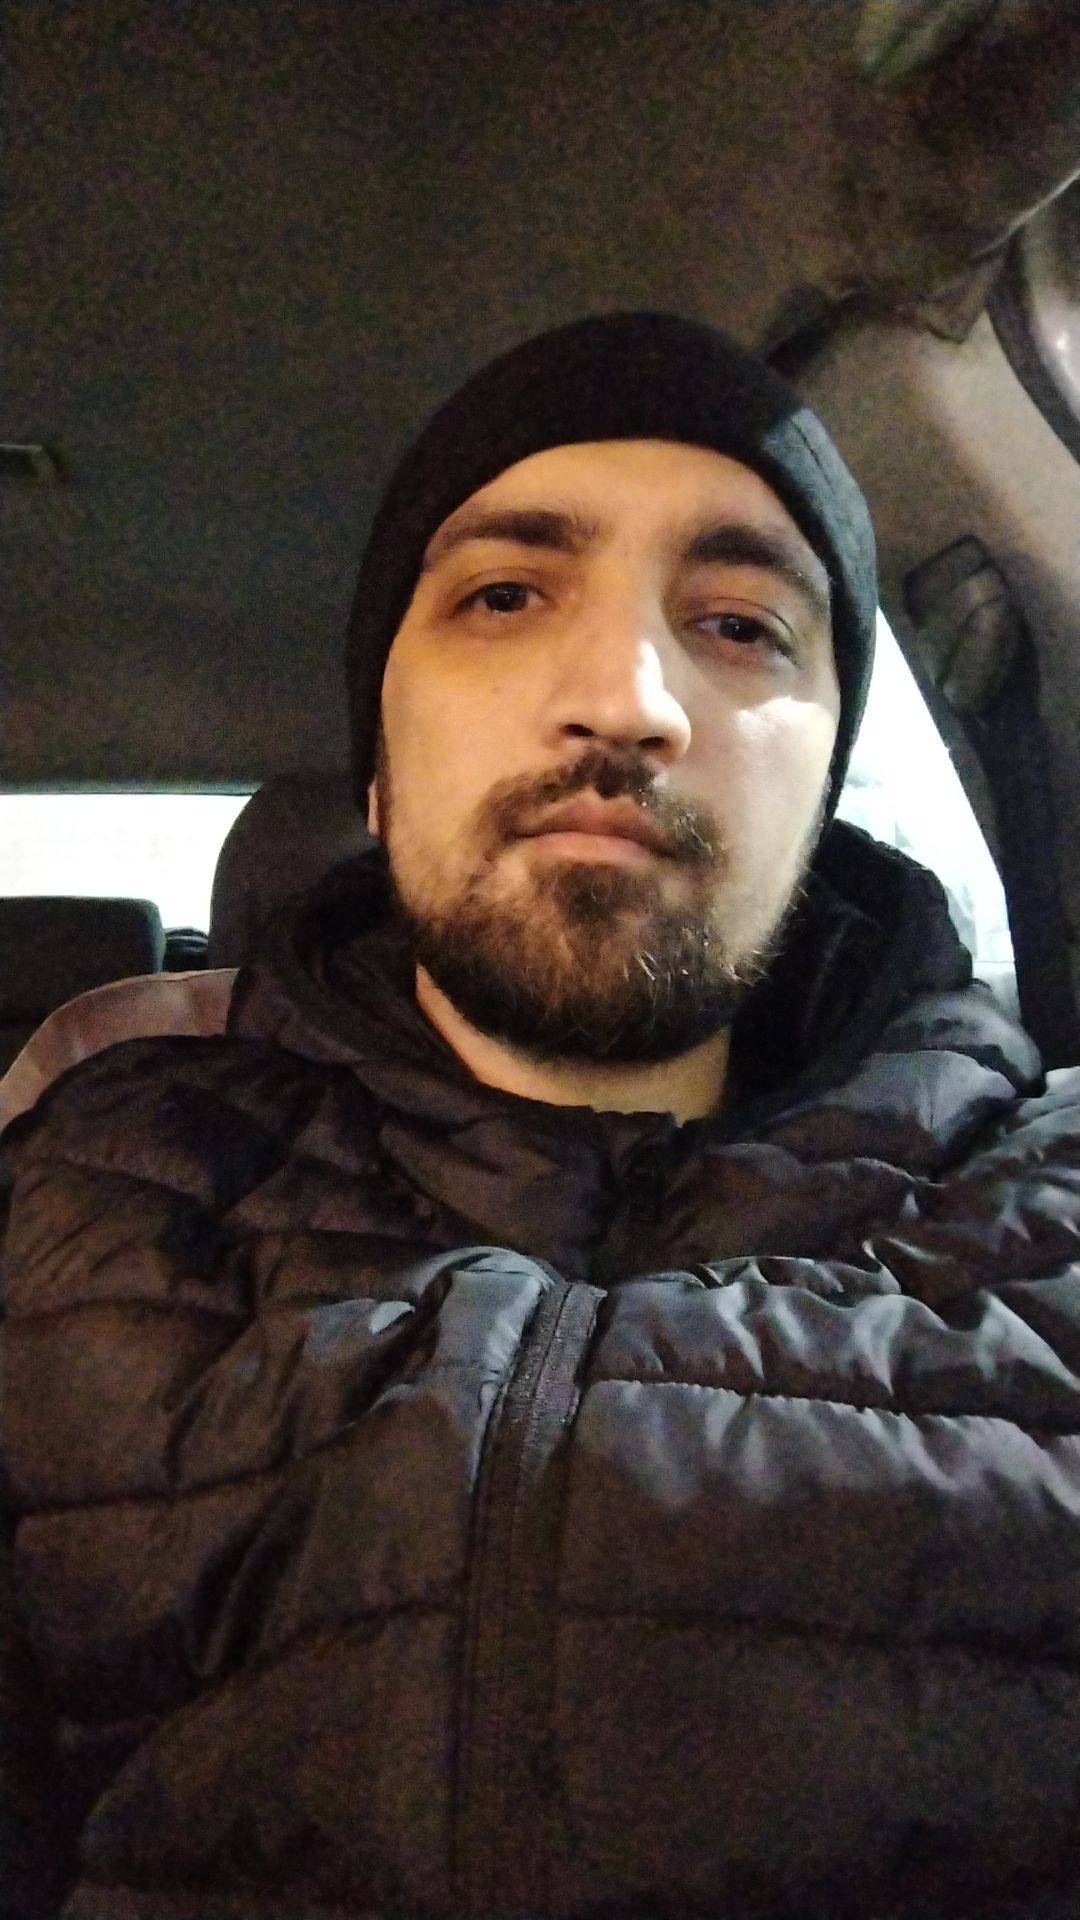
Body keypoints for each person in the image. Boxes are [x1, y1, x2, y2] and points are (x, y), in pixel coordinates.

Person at [2, 311, 1078, 1920]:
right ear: (378, 775)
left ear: (825, 785)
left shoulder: (1049, 1226)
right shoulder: (73, 1209)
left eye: (739, 624)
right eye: (504, 597)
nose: (627, 701)